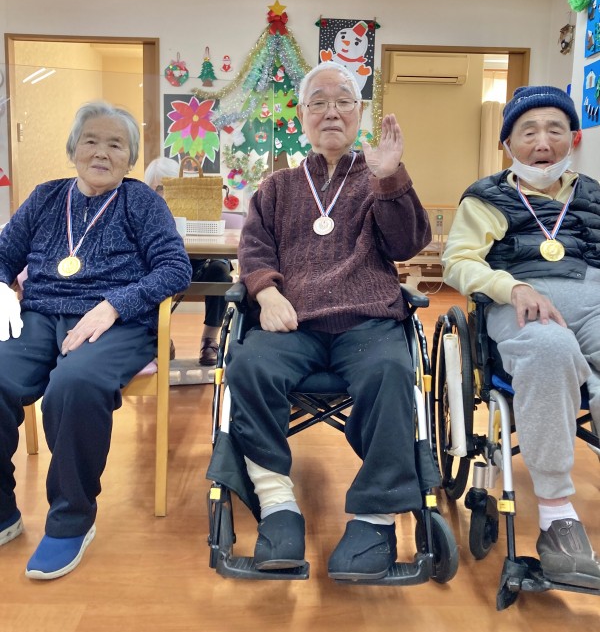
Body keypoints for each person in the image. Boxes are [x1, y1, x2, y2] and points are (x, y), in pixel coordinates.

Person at [224, 62, 431, 580]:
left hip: (367, 321)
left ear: (359, 113)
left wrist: (391, 180)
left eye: (343, 101)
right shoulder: (277, 187)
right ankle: (277, 504)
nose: (331, 111)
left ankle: (375, 518)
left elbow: (407, 244)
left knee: (391, 372)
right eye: (318, 102)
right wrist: (266, 292)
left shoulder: (379, 176)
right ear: (302, 115)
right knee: (249, 366)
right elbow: (253, 248)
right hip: (293, 321)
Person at [0, 101, 192, 579]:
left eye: (115, 144)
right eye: (91, 140)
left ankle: (70, 520)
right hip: (40, 314)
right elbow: (3, 254)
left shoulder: (141, 202)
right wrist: (2, 288)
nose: (101, 152)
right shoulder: (46, 197)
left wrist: (115, 304)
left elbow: (175, 268)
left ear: (130, 159)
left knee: (75, 385)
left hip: (117, 322)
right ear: (73, 149)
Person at [442, 85, 600, 590]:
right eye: (528, 132)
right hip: (520, 302)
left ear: (574, 138)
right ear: (507, 143)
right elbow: (458, 262)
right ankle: (557, 515)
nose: (542, 143)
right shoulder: (488, 196)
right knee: (551, 349)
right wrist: (511, 287)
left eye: (555, 130)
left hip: (593, 299)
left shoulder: (593, 195)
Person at [144, 157, 232, 366]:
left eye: (168, 186)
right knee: (144, 276)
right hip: (163, 267)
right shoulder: (146, 210)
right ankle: (160, 338)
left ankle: (209, 340)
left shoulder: (194, 203)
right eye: (158, 188)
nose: (163, 193)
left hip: (198, 265)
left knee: (220, 272)